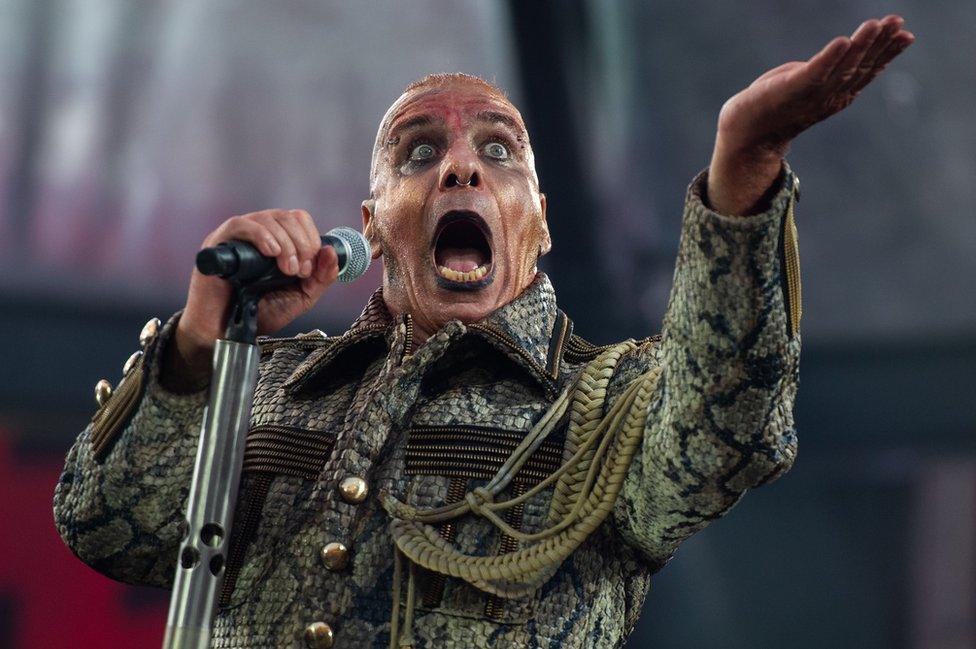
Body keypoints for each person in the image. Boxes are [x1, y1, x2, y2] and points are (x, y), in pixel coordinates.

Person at [54, 16, 913, 649]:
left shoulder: (610, 403)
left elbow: (731, 426)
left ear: (538, 223)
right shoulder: (261, 380)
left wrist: (744, 166)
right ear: (374, 222)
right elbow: (107, 527)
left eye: (499, 151)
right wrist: (203, 341)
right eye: (418, 154)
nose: (461, 163)